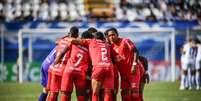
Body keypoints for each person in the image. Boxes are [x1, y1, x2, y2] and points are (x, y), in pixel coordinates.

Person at [68, 31, 114, 101]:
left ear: (94, 38)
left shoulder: (92, 41)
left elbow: (73, 40)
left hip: (98, 67)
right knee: (107, 93)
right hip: (109, 68)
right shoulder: (107, 45)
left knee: (95, 93)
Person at [46, 26, 79, 101]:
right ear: (77, 34)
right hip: (63, 70)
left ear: (69, 33)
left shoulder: (61, 40)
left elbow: (56, 41)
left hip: (54, 68)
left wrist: (66, 35)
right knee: (65, 93)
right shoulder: (74, 43)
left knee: (52, 93)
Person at [106, 28, 138, 101]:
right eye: (110, 35)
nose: (112, 37)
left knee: (135, 95)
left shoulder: (125, 41)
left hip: (133, 72)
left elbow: (136, 51)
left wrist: (134, 64)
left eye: (113, 34)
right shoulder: (111, 47)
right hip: (123, 75)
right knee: (125, 95)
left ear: (117, 34)